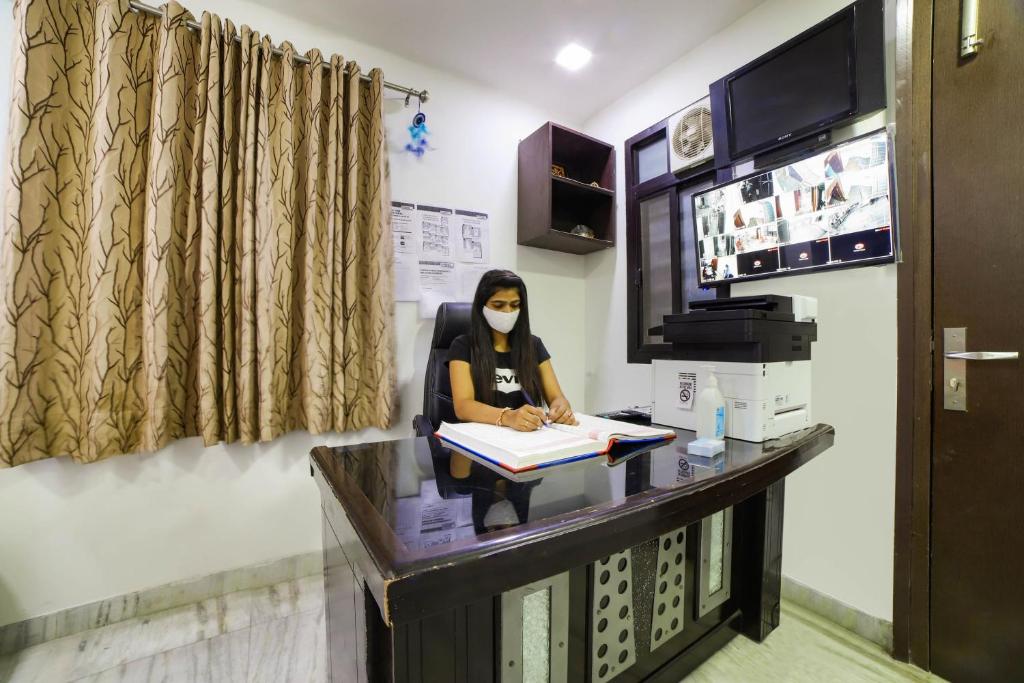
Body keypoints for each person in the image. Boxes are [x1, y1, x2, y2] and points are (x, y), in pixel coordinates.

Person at [448, 269, 577, 432]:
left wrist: (561, 409)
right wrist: (508, 417)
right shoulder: (463, 346)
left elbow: (556, 397)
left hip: (525, 438)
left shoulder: (533, 345)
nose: (508, 312)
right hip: (480, 440)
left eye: (515, 305)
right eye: (498, 305)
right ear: (482, 305)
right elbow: (463, 407)